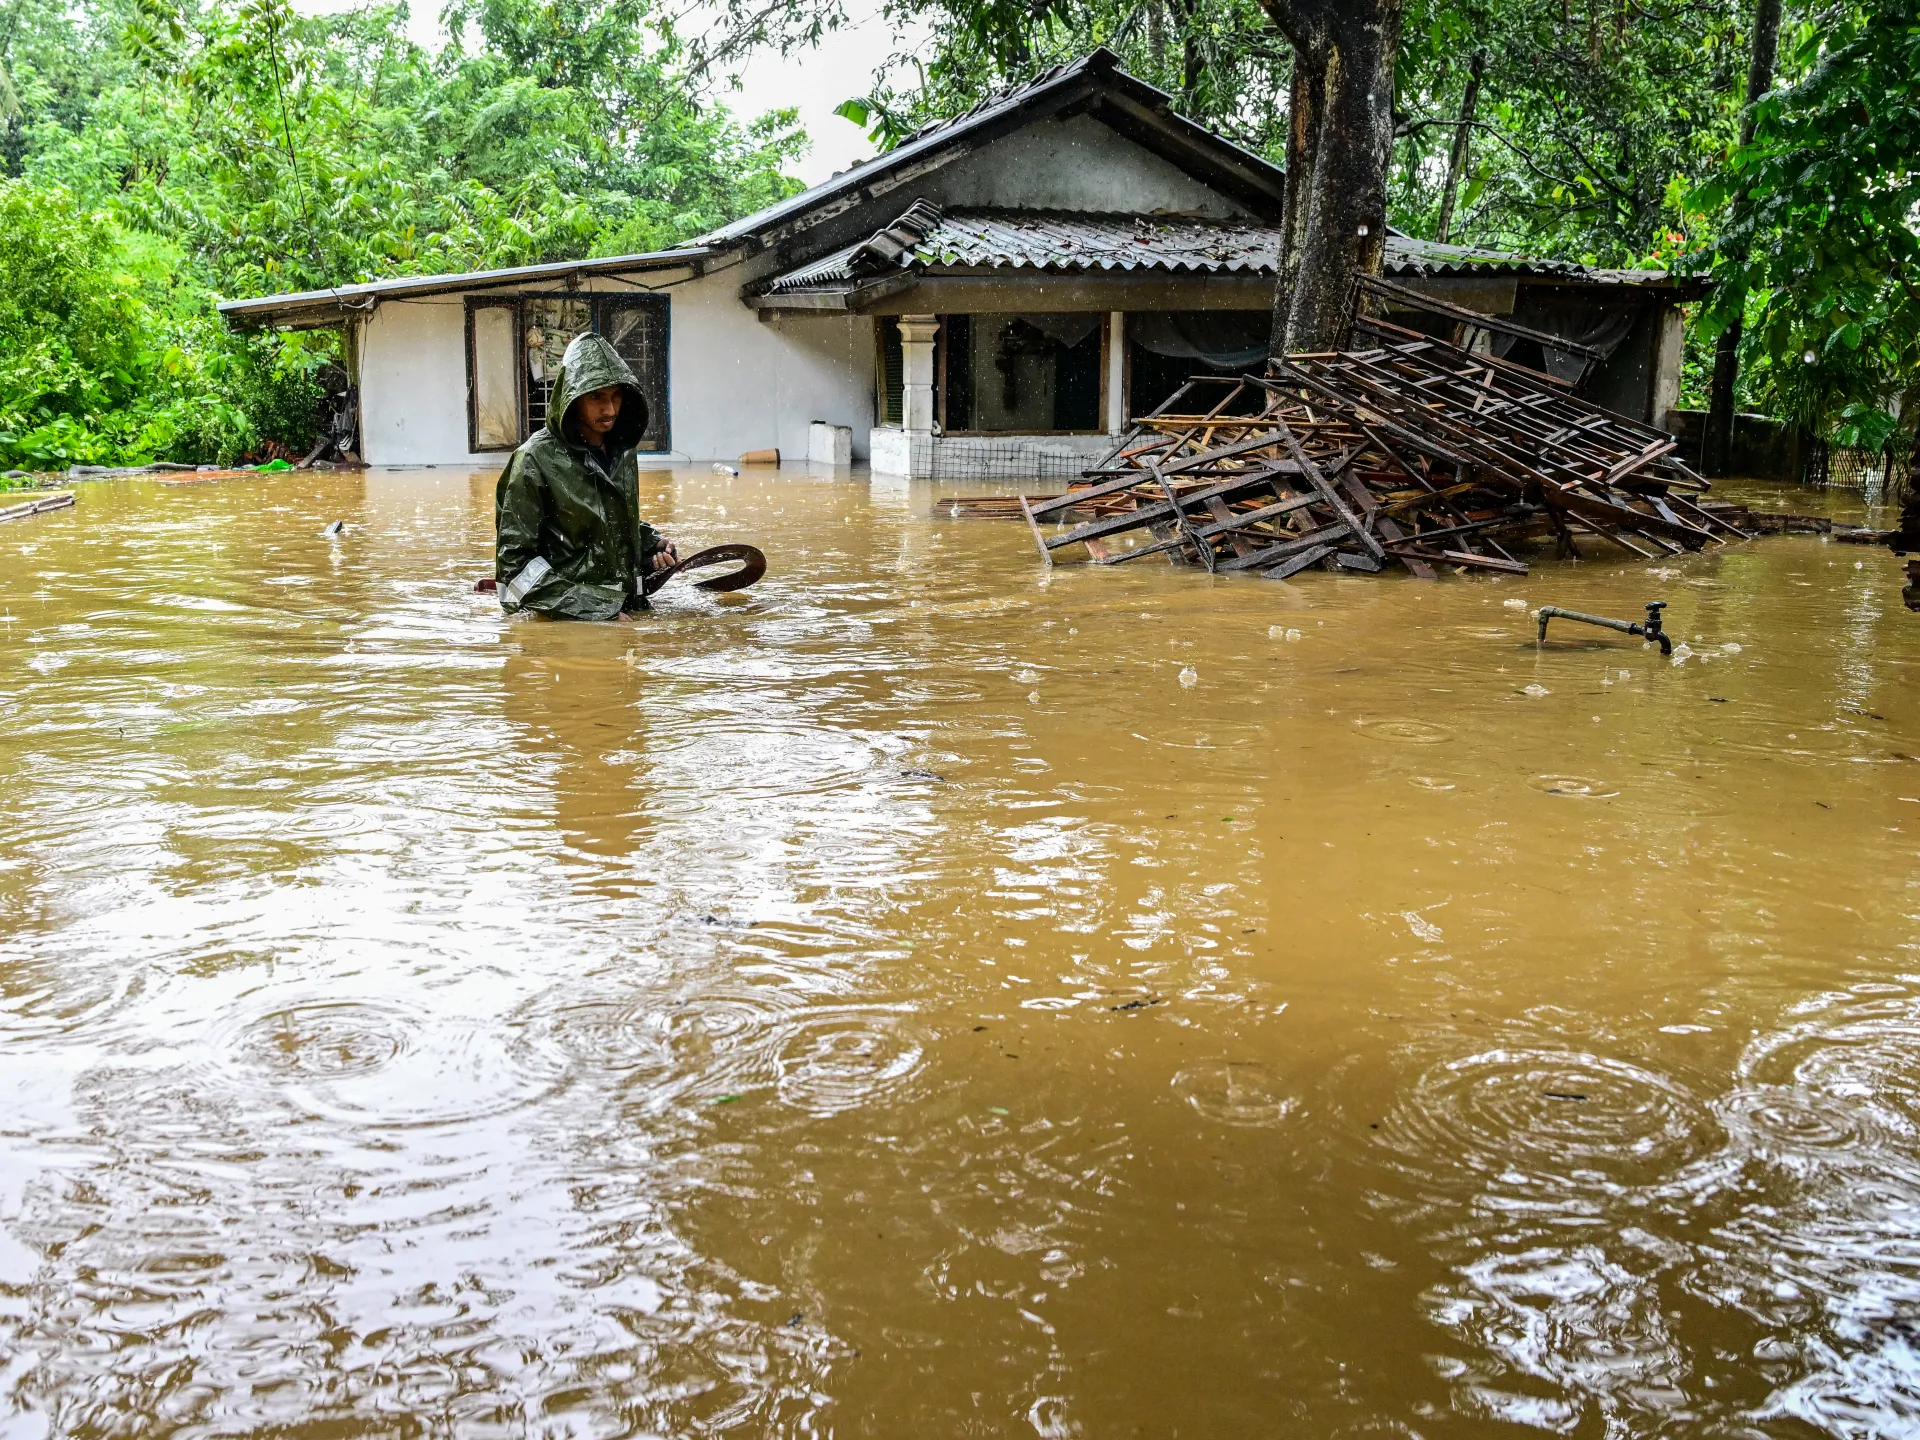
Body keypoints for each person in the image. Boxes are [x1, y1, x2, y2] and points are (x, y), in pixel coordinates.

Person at [495, 332, 678, 619]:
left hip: (628, 611)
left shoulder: (623, 451)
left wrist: (650, 545)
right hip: (569, 625)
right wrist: (595, 609)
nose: (610, 409)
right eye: (596, 397)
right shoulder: (533, 459)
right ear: (571, 397)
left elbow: (602, 520)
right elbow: (515, 571)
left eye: (617, 396)